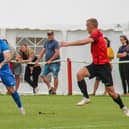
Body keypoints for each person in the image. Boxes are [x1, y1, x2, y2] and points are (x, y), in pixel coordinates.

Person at [60, 18, 129, 117]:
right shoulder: (94, 35)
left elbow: (84, 42)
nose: (86, 27)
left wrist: (68, 44)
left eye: (86, 25)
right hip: (95, 65)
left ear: (91, 25)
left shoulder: (96, 34)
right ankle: (86, 97)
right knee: (79, 74)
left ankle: (124, 107)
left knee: (112, 93)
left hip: (103, 67)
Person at [0, 39, 25, 115]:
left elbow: (8, 57)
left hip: (4, 68)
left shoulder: (2, 44)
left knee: (11, 89)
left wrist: (1, 64)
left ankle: (20, 108)